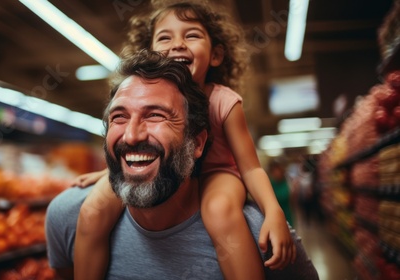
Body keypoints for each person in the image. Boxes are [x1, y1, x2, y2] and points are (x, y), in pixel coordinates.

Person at [46, 49, 319, 279]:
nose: (131, 135)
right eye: (119, 117)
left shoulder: (261, 237)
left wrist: (273, 210)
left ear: (198, 143)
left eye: (155, 115)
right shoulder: (67, 217)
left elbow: (250, 167)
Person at [72, 2, 294, 279]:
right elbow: (138, 146)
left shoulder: (224, 102)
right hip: (168, 170)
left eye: (191, 35)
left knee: (219, 209)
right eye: (165, 37)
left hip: (216, 173)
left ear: (215, 55)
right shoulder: (142, 99)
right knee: (92, 211)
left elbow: (250, 167)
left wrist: (273, 211)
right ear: (149, 52)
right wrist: (109, 171)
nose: (177, 44)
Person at [268, 160, 294, 226]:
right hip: (275, 216)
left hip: (288, 213)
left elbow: (293, 199)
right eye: (274, 171)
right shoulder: (269, 184)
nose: (276, 173)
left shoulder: (287, 182)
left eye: (278, 170)